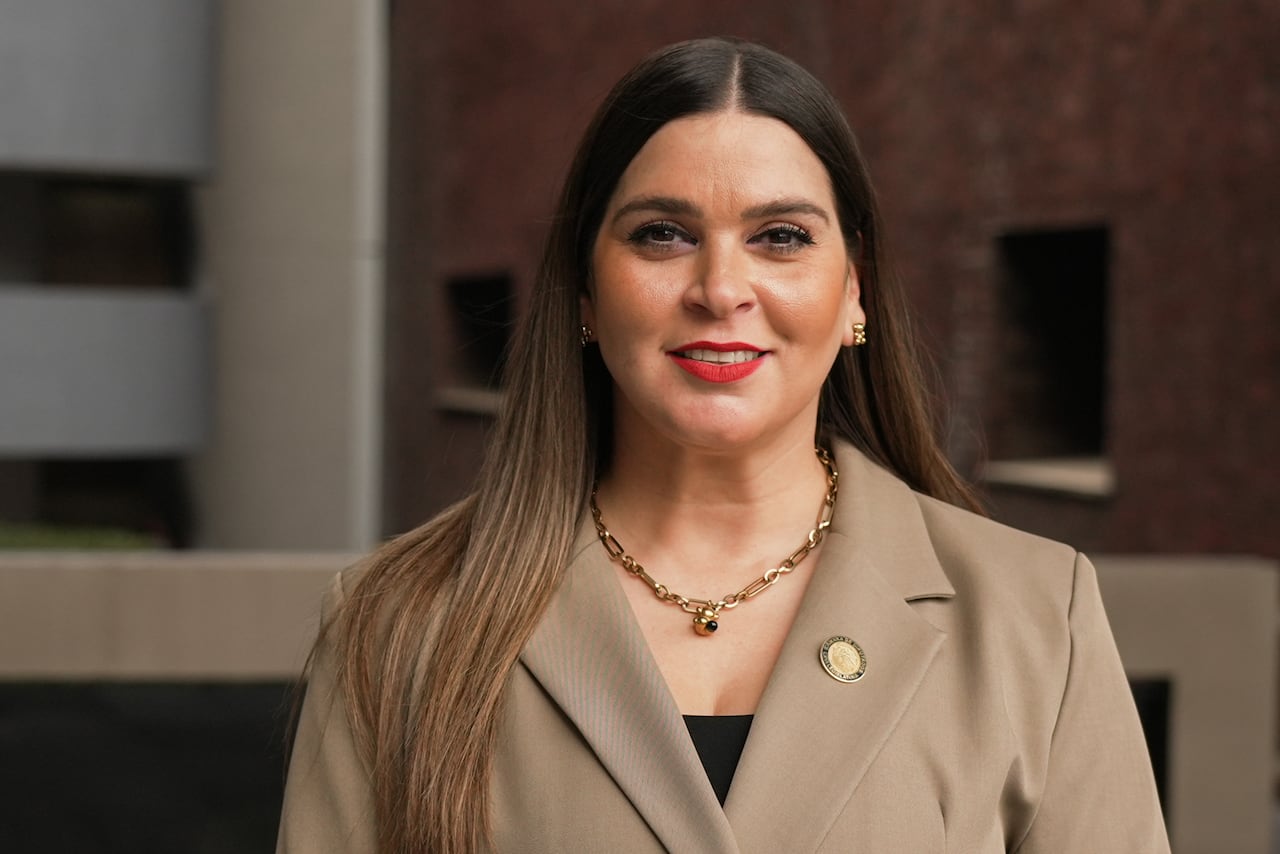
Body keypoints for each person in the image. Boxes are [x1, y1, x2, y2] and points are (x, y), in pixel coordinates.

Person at [277, 37, 1169, 853]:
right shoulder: (398, 623)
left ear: (853, 292)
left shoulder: (1034, 618)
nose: (721, 287)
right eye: (662, 234)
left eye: (780, 237)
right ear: (586, 293)